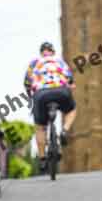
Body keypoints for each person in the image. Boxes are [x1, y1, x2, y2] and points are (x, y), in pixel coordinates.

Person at [24, 42, 76, 172]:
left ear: (41, 52)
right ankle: (64, 130)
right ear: (53, 52)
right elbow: (70, 80)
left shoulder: (34, 63)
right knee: (71, 110)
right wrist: (69, 89)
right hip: (61, 91)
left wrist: (31, 96)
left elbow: (27, 83)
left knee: (40, 127)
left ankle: (42, 159)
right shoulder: (60, 61)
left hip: (41, 95)